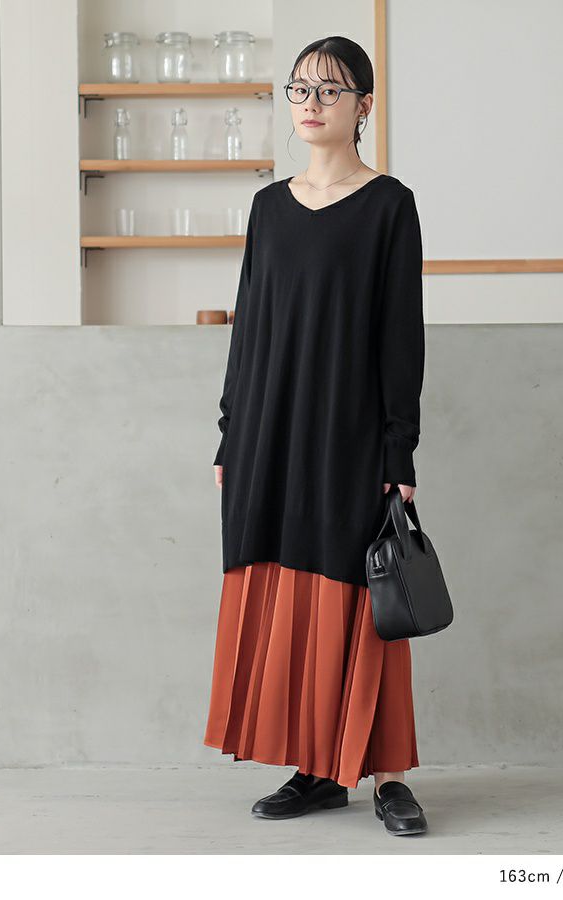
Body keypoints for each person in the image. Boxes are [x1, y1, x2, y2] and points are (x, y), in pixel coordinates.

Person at [202, 35, 428, 837]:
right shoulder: (268, 208)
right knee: (289, 590)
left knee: (362, 598)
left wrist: (398, 449)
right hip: (269, 430)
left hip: (349, 430)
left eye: (330, 90)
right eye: (300, 88)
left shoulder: (388, 205)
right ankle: (316, 769)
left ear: (363, 105)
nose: (310, 102)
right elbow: (250, 329)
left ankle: (389, 778)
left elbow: (400, 337)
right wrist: (231, 434)